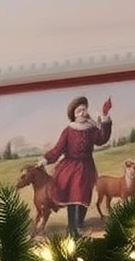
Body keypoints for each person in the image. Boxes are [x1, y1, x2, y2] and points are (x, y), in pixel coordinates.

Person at [37, 94, 113, 233]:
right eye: (79, 111)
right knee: (73, 197)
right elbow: (58, 149)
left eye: (84, 109)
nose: (82, 113)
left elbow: (102, 139)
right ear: (74, 115)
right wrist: (45, 159)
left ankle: (79, 224)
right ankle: (72, 227)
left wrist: (105, 116)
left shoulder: (91, 129)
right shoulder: (68, 130)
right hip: (70, 168)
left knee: (83, 197)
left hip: (86, 168)